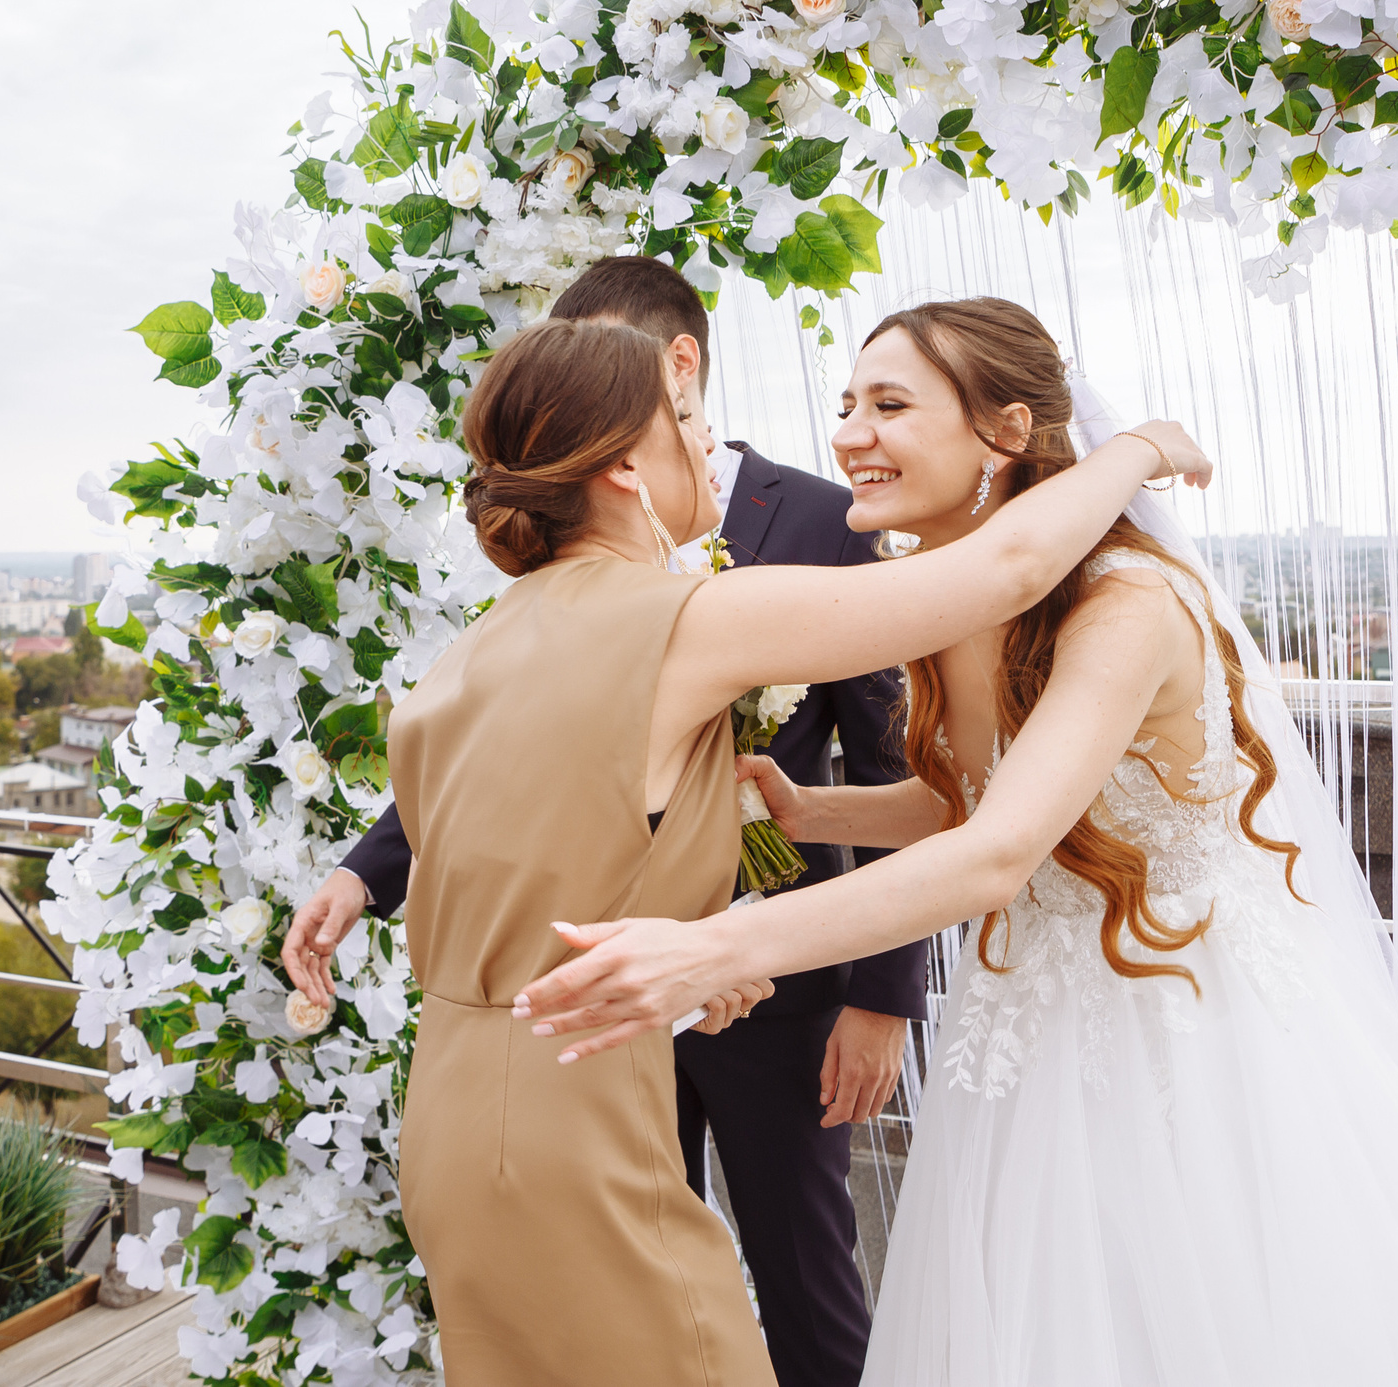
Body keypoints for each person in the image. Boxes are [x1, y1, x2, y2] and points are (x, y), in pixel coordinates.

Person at [515, 299, 1398, 1385]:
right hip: (1030, 1029)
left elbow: (1000, 852)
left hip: (1186, 1023)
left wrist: (726, 947)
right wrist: (815, 812)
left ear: (1003, 431)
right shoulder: (937, 604)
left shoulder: (1124, 603)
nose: (848, 432)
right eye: (846, 403)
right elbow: (980, 798)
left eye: (889, 403)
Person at [383, 313, 1204, 1385]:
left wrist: (716, 927)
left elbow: (528, 870)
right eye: (685, 420)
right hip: (570, 1123)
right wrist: (1140, 446)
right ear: (629, 466)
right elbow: (1007, 570)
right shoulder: (683, 616)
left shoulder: (467, 657)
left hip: (454, 1116)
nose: (707, 440)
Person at [282, 255, 925, 1386]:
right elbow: (512, 747)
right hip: (592, 997)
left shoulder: (822, 514)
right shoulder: (590, 578)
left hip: (763, 977)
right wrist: (364, 872)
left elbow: (888, 749)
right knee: (639, 1318)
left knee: (802, 1269)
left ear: (672, 366)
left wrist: (880, 995)